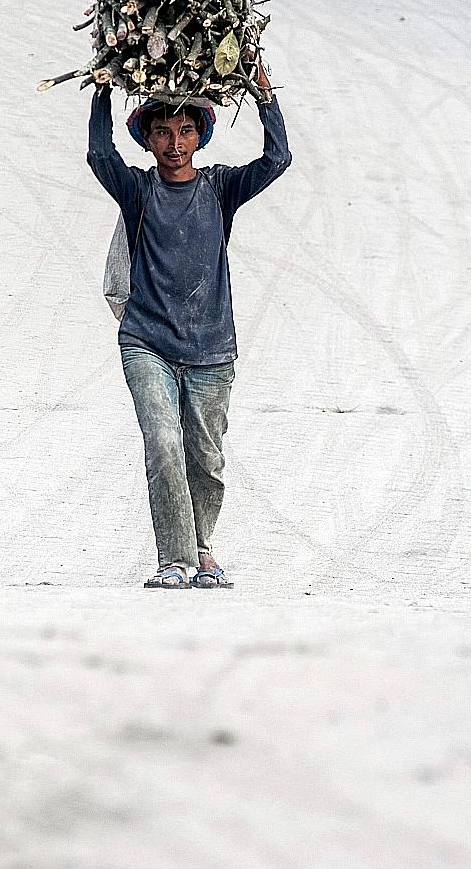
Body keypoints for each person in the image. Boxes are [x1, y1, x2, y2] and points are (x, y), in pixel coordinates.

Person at [86, 66, 291, 589]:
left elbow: (277, 159)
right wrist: (104, 88)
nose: (174, 144)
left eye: (184, 131)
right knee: (162, 443)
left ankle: (201, 550)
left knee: (205, 458)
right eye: (162, 132)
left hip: (211, 347)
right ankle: (172, 560)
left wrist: (264, 95)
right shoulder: (137, 190)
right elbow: (100, 156)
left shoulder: (220, 188)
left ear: (200, 136)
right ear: (148, 139)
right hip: (146, 341)